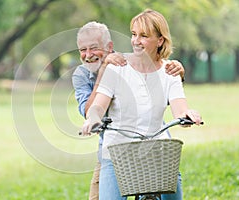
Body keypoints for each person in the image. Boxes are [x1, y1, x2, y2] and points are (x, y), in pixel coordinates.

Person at [81, 9, 202, 200]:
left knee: (173, 192)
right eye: (134, 34)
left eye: (144, 36)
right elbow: (98, 106)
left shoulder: (169, 72)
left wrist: (188, 115)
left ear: (160, 40)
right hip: (117, 152)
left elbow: (180, 109)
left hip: (157, 152)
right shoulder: (117, 68)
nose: (136, 41)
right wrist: (92, 119)